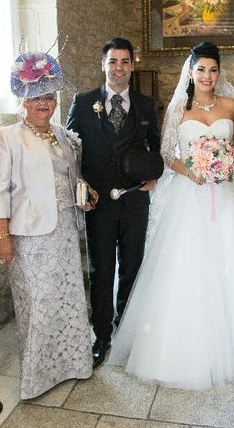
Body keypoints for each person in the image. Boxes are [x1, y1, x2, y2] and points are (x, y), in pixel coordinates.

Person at [108, 42, 234, 390]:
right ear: (191, 72)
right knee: (188, 267)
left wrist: (233, 164)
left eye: (212, 69)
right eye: (200, 69)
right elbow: (166, 154)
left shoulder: (231, 106)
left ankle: (233, 347)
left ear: (219, 73)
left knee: (229, 265)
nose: (207, 76)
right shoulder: (178, 109)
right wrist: (191, 171)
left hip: (225, 196)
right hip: (190, 196)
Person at [0, 50, 95, 400]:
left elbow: (70, 178)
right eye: (36, 97)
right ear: (23, 98)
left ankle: (72, 365)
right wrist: (0, 235)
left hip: (63, 232)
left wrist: (86, 193)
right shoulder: (6, 137)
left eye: (49, 96)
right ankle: (37, 378)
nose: (43, 103)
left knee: (67, 300)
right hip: (29, 237)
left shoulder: (63, 135)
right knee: (37, 304)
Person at [66, 37, 161, 368]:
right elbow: (68, 152)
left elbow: (156, 147)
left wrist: (154, 176)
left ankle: (127, 329)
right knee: (101, 269)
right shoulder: (83, 102)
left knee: (132, 267)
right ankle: (101, 335)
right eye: (113, 62)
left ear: (132, 66)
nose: (119, 68)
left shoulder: (146, 106)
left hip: (135, 202)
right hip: (99, 205)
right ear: (102, 65)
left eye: (125, 62)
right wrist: (79, 185)